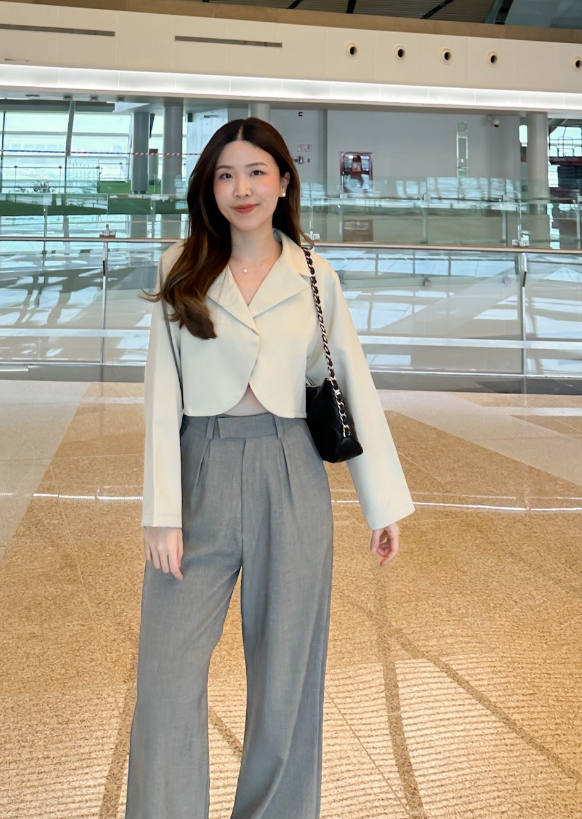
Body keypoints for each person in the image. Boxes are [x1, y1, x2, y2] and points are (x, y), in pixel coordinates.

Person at [124, 117, 414, 819]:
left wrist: (381, 504)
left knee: (287, 683)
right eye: (225, 175)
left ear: (284, 181)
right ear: (209, 188)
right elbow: (162, 394)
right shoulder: (181, 265)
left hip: (291, 471)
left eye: (256, 172)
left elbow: (348, 381)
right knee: (166, 678)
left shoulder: (314, 274)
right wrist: (161, 511)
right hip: (199, 466)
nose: (242, 188)